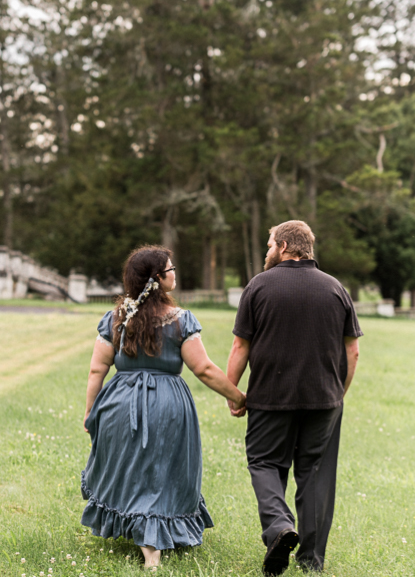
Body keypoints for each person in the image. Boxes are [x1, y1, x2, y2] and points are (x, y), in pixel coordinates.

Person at [81, 245, 247, 568]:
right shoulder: (180, 320)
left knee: (130, 469)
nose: (174, 274)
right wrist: (238, 396)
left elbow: (97, 370)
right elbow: (204, 369)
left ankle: (144, 535)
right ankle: (152, 545)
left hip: (120, 402)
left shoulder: (115, 318)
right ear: (157, 279)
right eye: (170, 269)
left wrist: (91, 412)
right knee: (161, 471)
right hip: (167, 404)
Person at [225, 221, 362, 575]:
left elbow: (241, 345)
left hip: (270, 397)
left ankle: (279, 528)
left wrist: (232, 391)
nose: (267, 251)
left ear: (285, 246)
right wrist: (338, 394)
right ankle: (311, 561)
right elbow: (353, 351)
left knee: (264, 462)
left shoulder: (259, 286)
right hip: (325, 399)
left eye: (269, 245)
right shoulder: (335, 289)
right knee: (315, 473)